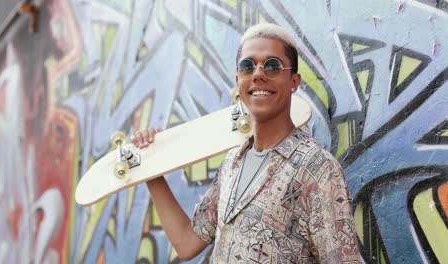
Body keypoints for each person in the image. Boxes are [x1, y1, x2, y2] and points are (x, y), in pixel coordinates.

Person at [131, 23, 360, 263]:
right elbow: (188, 242)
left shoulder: (317, 169)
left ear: (294, 81)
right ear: (238, 80)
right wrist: (151, 168)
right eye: (248, 66)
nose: (258, 74)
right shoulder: (233, 162)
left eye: (272, 66)